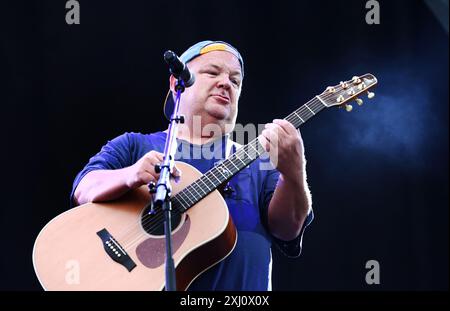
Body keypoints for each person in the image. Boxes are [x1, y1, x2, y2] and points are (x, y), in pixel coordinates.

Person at [70, 40, 313, 291]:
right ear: (177, 83)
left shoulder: (262, 161)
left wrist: (294, 173)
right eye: (212, 72)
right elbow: (84, 189)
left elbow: (288, 229)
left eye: (235, 81)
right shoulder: (134, 146)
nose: (225, 83)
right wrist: (130, 175)